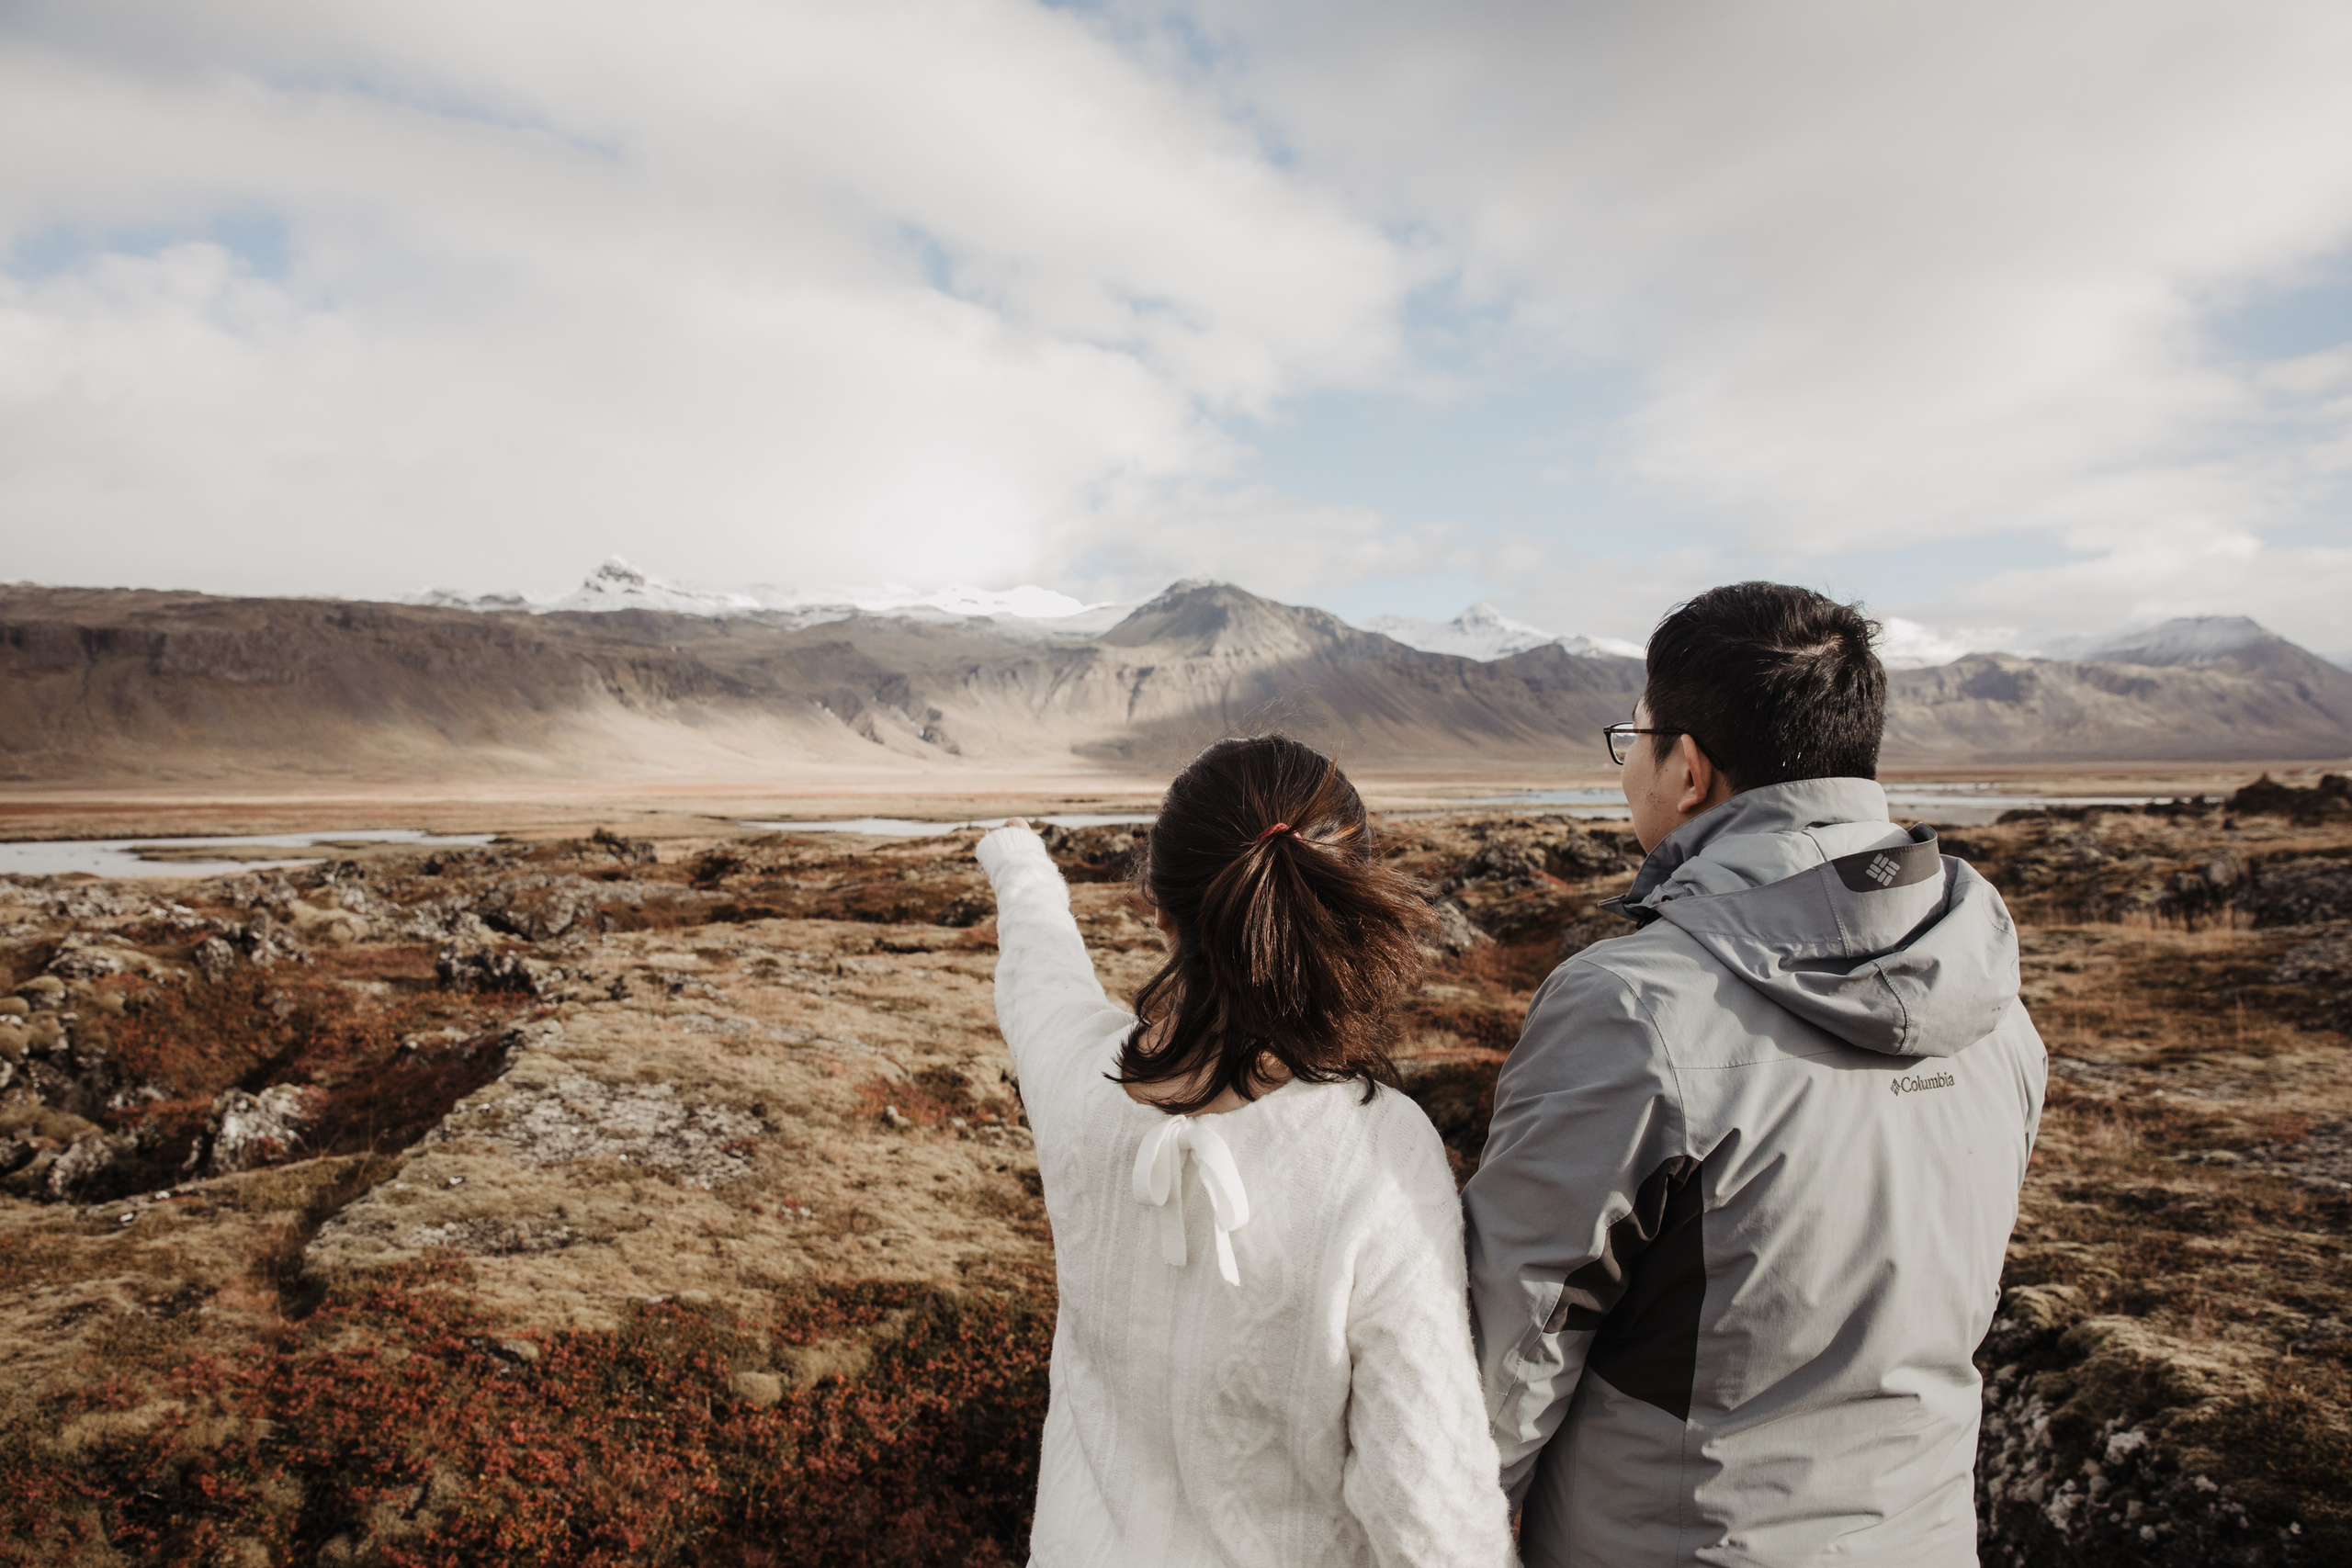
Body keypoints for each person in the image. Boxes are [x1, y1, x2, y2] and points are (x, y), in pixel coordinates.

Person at [1464, 582, 2046, 1567]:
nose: (1626, 772)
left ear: (1687, 768)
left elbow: (1512, 1346)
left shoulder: (1629, 1008)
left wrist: (1440, 1523)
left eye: (1631, 740)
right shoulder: (1991, 1001)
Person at [976, 734, 1515, 1567]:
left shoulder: (1084, 1085)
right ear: (1347, 900)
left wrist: (1019, 861)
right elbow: (1430, 1508)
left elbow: (1041, 979)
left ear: (1160, 910)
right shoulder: (1376, 1149)